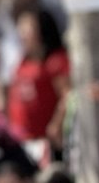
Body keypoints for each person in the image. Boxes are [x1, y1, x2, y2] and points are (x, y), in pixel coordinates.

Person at [5, 9, 70, 156]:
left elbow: (67, 95)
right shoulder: (22, 61)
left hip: (46, 141)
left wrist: (56, 125)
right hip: (21, 139)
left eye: (27, 29)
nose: (22, 35)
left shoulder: (56, 61)